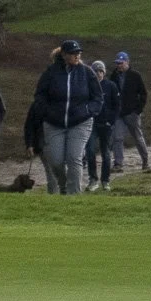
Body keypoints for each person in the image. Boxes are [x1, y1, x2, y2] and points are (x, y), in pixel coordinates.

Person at [34, 40, 101, 195]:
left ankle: (74, 196)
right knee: (56, 161)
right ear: (63, 55)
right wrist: (47, 112)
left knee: (74, 158)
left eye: (78, 53)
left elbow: (97, 98)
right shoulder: (50, 73)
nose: (77, 55)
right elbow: (39, 96)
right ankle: (63, 186)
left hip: (80, 123)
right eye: (73, 53)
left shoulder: (87, 72)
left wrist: (88, 110)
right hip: (54, 123)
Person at [110, 52, 149, 172]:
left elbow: (143, 93)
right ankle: (118, 164)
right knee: (117, 138)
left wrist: (138, 110)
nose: (119, 65)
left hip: (132, 113)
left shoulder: (135, 75)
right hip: (119, 114)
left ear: (127, 62)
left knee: (137, 137)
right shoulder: (114, 76)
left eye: (121, 63)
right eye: (117, 63)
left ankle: (145, 160)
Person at [83, 60, 118, 192]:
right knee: (90, 151)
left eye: (100, 71)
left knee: (106, 154)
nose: (98, 73)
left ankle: (105, 180)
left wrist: (111, 121)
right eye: (95, 71)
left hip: (106, 125)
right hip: (91, 124)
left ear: (104, 72)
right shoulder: (87, 86)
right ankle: (93, 180)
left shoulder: (111, 86)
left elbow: (117, 106)